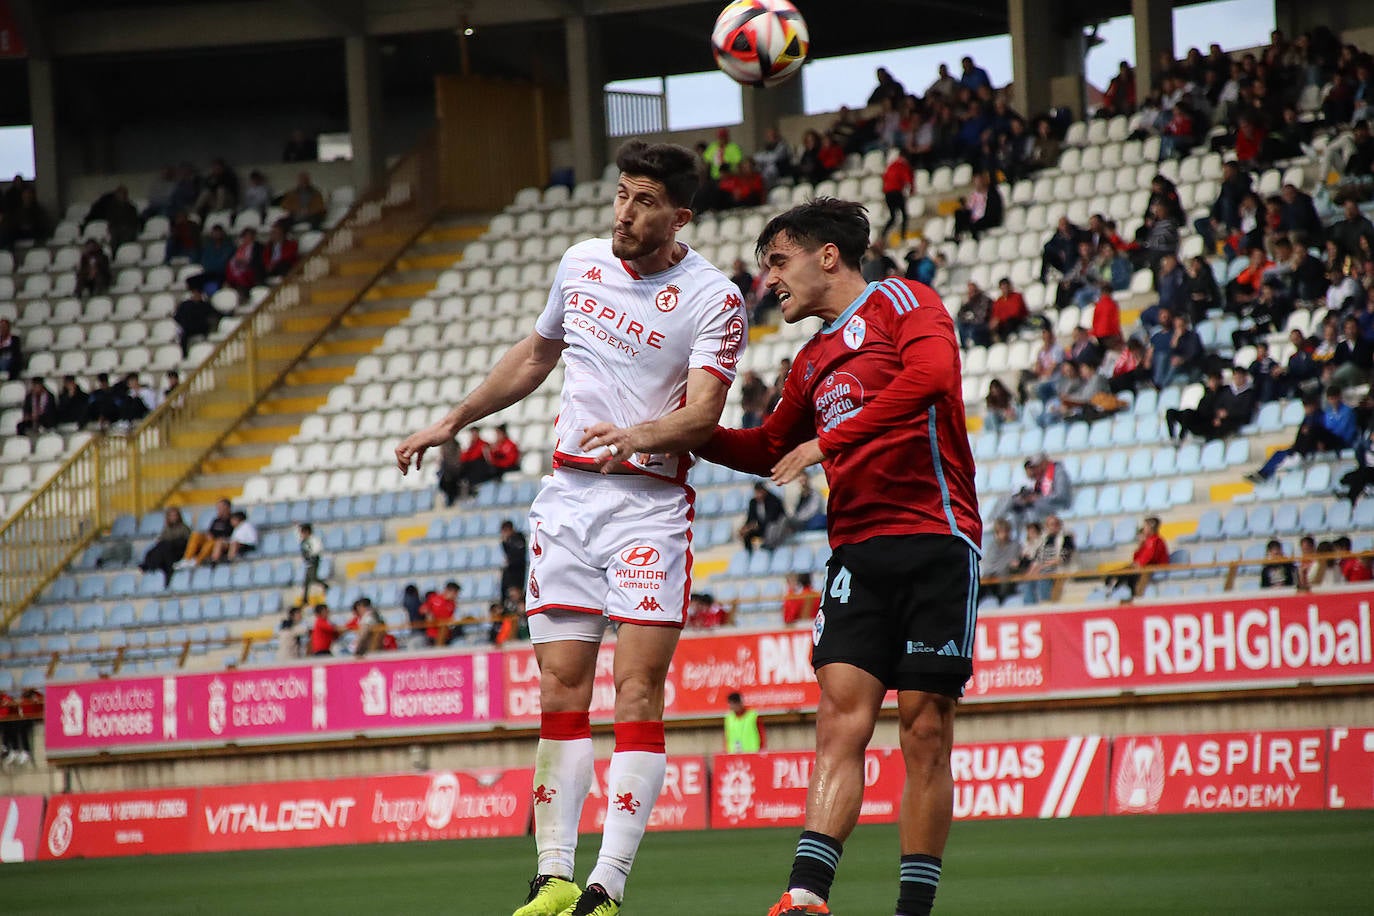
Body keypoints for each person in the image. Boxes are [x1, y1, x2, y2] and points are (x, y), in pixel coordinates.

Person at [395, 139, 746, 916]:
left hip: (647, 506)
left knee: (637, 690)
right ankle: (554, 875)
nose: (625, 212)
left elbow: (704, 413)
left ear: (679, 216)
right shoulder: (580, 261)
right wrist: (454, 418)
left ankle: (607, 885)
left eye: (645, 201)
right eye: (622, 195)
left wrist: (641, 436)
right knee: (559, 687)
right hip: (566, 501)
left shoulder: (713, 297)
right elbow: (537, 354)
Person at [694, 198, 980, 916]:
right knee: (838, 720)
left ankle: (913, 908)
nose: (770, 281)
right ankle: (805, 896)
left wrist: (833, 437)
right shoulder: (812, 359)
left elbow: (933, 377)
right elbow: (764, 447)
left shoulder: (905, 301)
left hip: (935, 541)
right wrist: (686, 430)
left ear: (828, 255)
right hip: (855, 552)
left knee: (923, 728)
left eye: (777, 262)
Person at [1245, 389, 1358, 482]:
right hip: (1315, 441)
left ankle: (1299, 454)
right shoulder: (1313, 417)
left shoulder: (1326, 414)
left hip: (1336, 441)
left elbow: (1334, 431)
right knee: (1280, 452)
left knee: (1313, 429)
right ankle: (1263, 473)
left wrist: (1321, 442)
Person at [1107, 516, 1171, 597]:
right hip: (1146, 566)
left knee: (1138, 573)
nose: (1144, 528)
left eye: (1145, 526)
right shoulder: (1148, 541)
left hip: (1154, 567)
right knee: (1125, 572)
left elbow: (1149, 557)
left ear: (1151, 527)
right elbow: (1137, 557)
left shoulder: (1156, 540)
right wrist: (1140, 546)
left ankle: (1137, 595)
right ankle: (1114, 584)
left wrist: (1138, 564)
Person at [1021, 514, 1074, 605]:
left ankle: (1046, 604)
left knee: (1043, 578)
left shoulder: (1066, 538)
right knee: (1028, 581)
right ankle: (1029, 607)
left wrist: (1044, 565)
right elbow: (1037, 557)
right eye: (1050, 525)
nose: (1053, 527)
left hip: (1057, 570)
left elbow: (1064, 557)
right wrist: (1033, 570)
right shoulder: (1043, 540)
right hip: (1043, 569)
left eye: (1056, 524)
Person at [138, 507, 192, 587]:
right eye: (171, 516)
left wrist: (169, 541)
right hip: (167, 552)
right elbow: (161, 540)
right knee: (154, 550)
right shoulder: (166, 529)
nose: (173, 517)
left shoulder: (184, 528)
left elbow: (186, 542)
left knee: (165, 546)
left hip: (178, 551)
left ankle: (149, 565)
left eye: (175, 515)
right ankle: (150, 565)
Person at [173, 286, 225, 358]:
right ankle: (184, 356)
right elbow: (177, 317)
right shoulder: (185, 305)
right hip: (188, 329)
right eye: (195, 294)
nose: (196, 295)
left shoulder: (205, 305)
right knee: (183, 338)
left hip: (201, 329)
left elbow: (216, 313)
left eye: (198, 294)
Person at [741, 481, 786, 553]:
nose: (759, 494)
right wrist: (746, 527)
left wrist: (756, 526)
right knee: (747, 534)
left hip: (774, 527)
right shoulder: (753, 502)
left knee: (771, 528)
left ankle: (769, 549)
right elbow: (751, 517)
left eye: (760, 492)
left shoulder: (774, 500)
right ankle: (749, 553)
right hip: (761, 527)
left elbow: (772, 518)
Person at [881, 149, 914, 243]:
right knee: (904, 215)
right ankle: (903, 237)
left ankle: (883, 235)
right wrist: (911, 190)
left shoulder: (891, 165)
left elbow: (885, 178)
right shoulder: (903, 165)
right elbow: (907, 178)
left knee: (893, 216)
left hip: (888, 193)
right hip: (896, 192)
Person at [500, 520, 529, 600]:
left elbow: (518, 556)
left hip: (517, 573)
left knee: (517, 595)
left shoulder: (518, 538)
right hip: (511, 572)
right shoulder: (508, 541)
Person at [299, 522, 325, 604]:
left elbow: (317, 549)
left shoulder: (314, 540)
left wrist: (311, 556)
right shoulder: (304, 541)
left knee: (313, 578)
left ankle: (325, 586)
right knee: (306, 580)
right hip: (308, 562)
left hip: (313, 560)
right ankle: (305, 598)